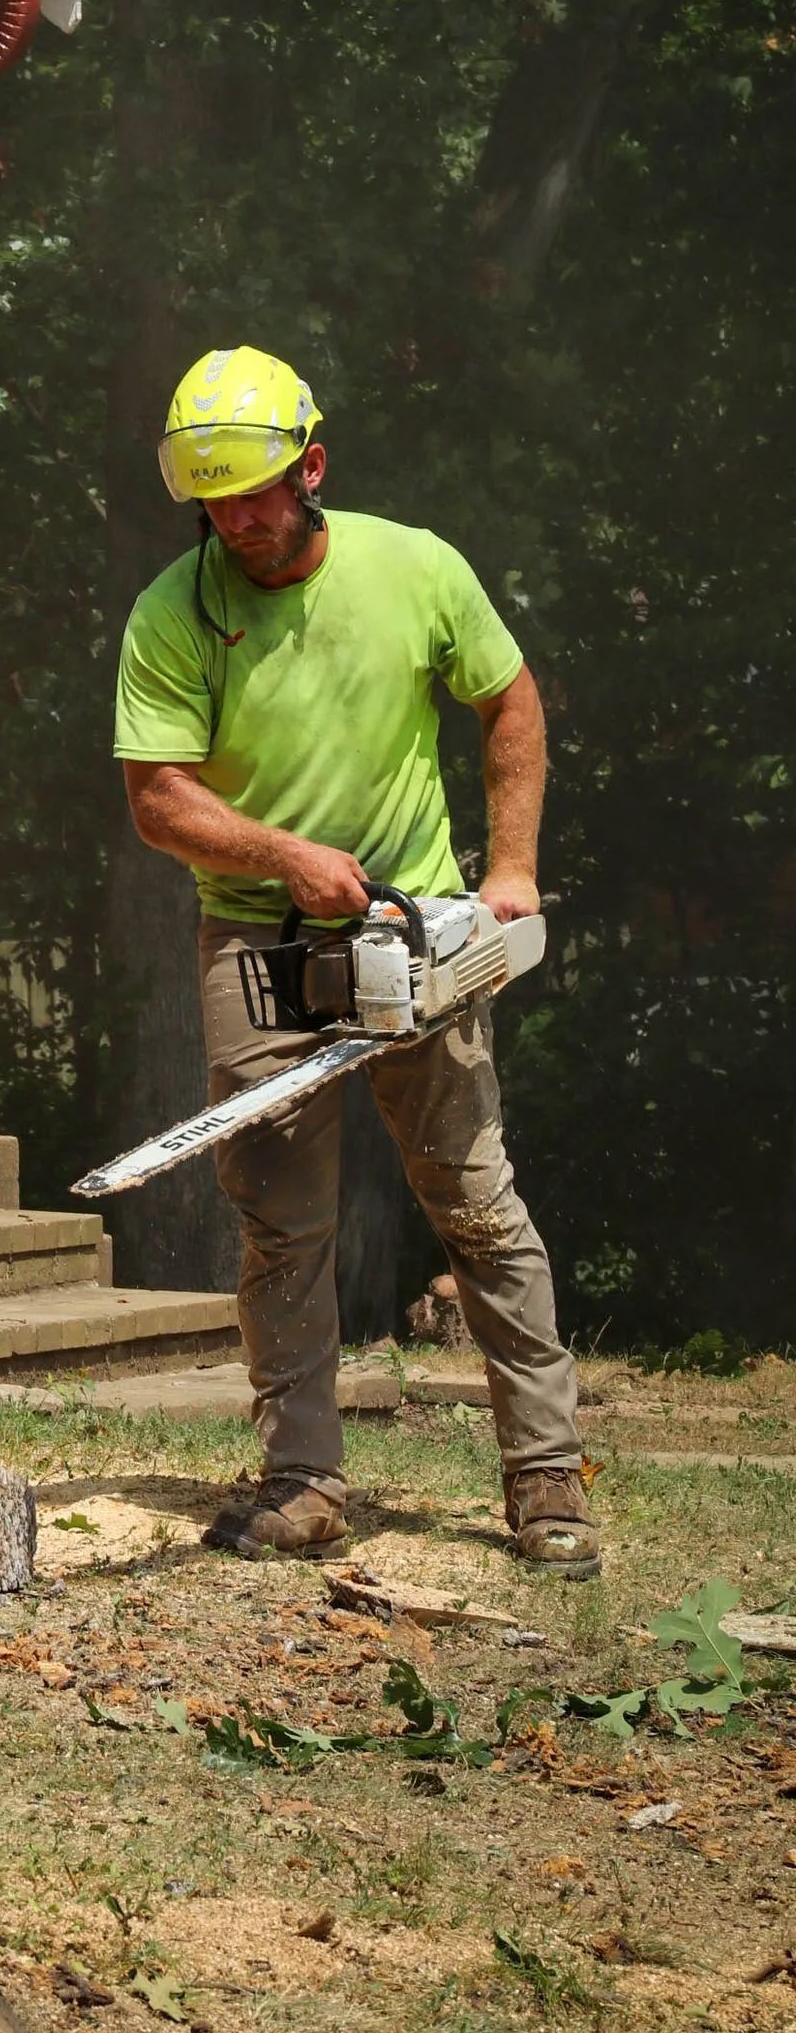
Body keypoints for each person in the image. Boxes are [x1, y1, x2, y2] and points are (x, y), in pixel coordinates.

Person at [113, 345, 598, 1575]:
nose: (239, 522)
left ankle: (546, 1479)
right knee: (282, 1230)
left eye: (258, 495)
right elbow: (158, 799)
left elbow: (513, 706)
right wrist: (284, 858)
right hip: (257, 944)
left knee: (477, 1209)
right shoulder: (177, 610)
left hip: (413, 930)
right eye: (214, 501)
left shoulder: (415, 567)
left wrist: (508, 875)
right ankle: (302, 1481)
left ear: (311, 469)